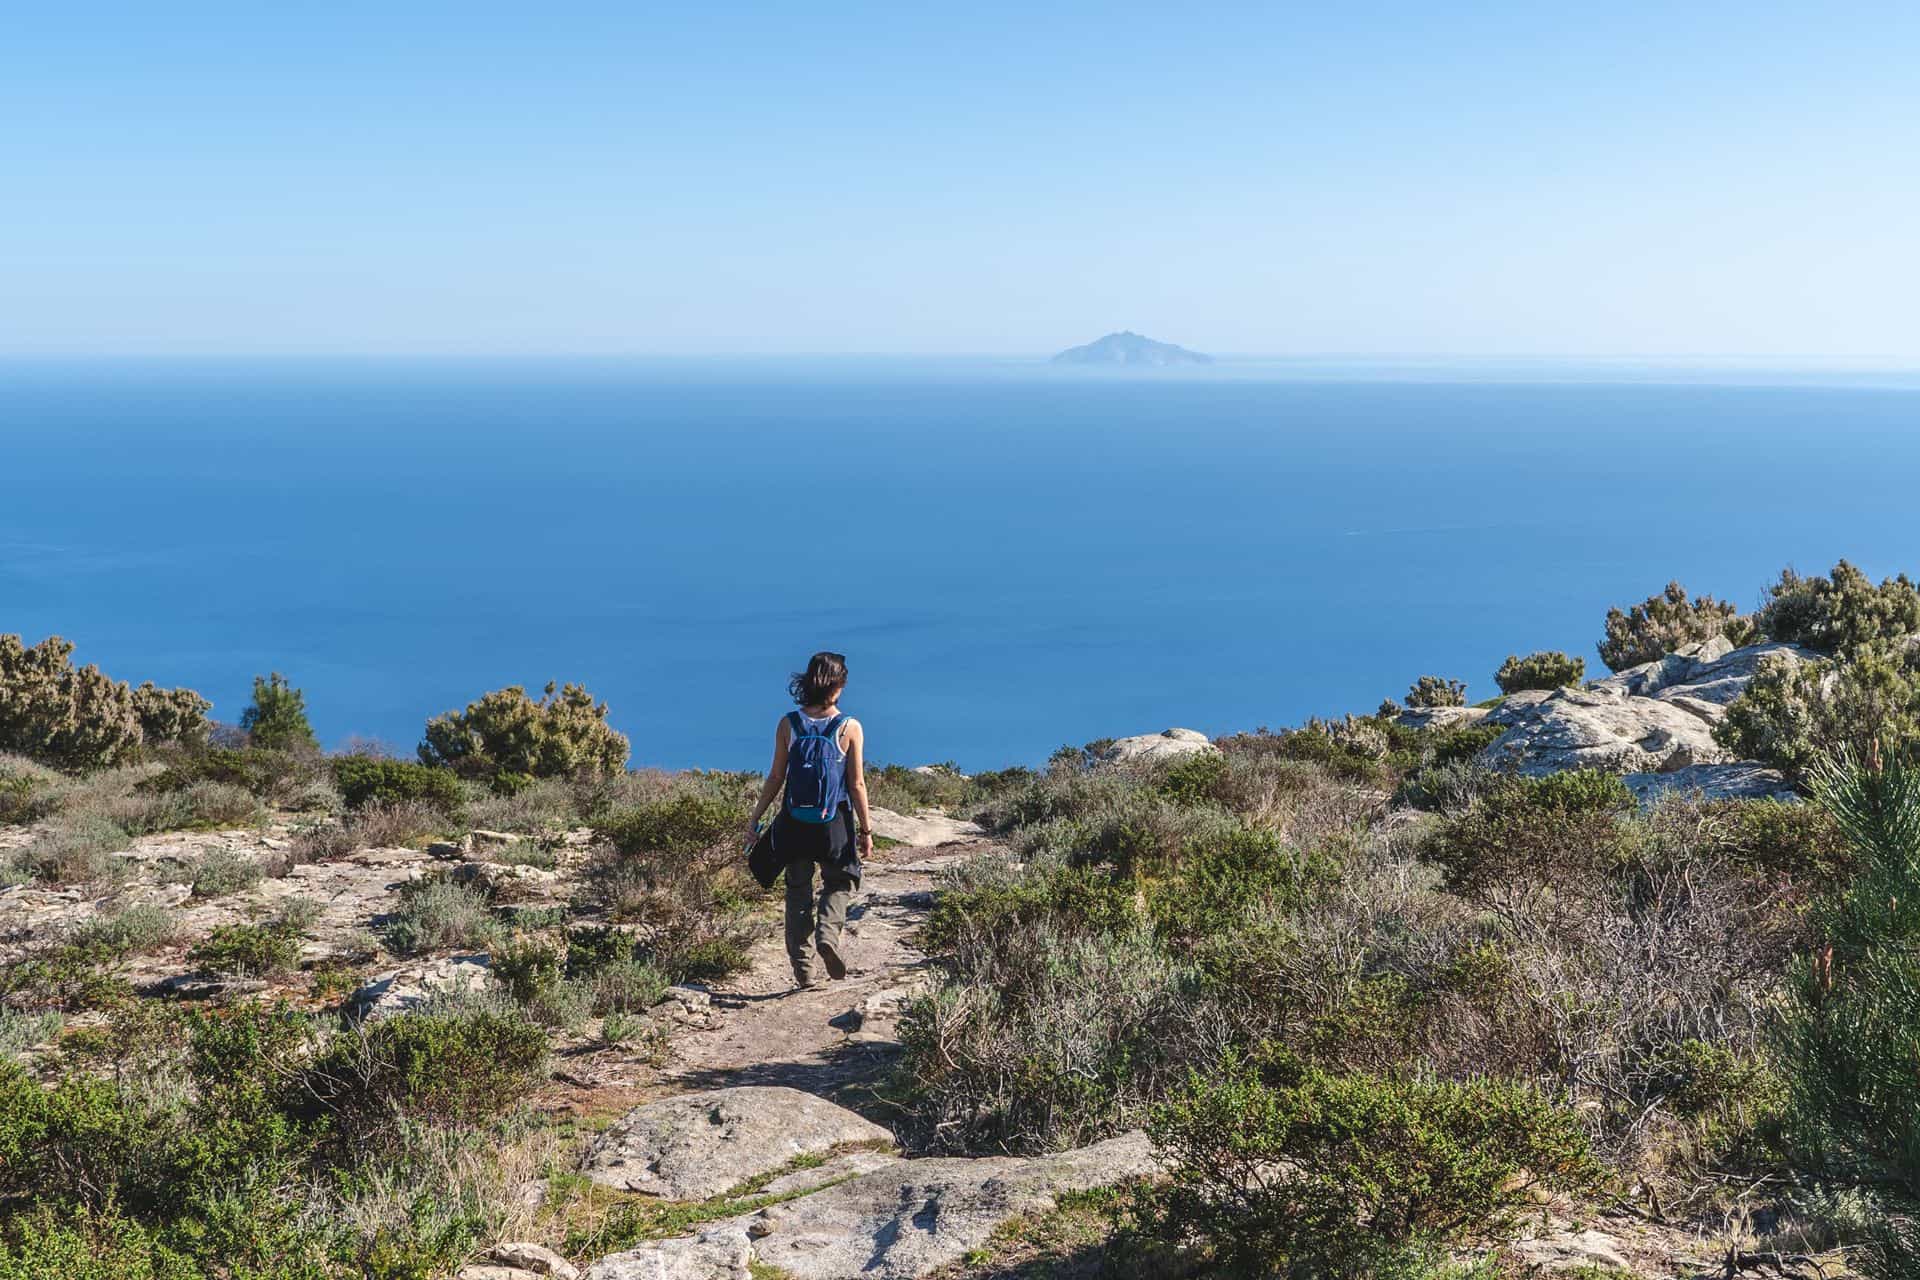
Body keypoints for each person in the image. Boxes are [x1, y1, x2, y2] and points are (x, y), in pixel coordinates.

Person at [746, 651, 873, 989]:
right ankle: (827, 936)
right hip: (834, 823)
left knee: (798, 891)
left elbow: (776, 777)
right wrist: (866, 830)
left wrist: (755, 819)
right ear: (838, 685)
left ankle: (803, 969)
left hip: (794, 823)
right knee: (840, 883)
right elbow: (856, 784)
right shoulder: (849, 727)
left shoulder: (789, 724)